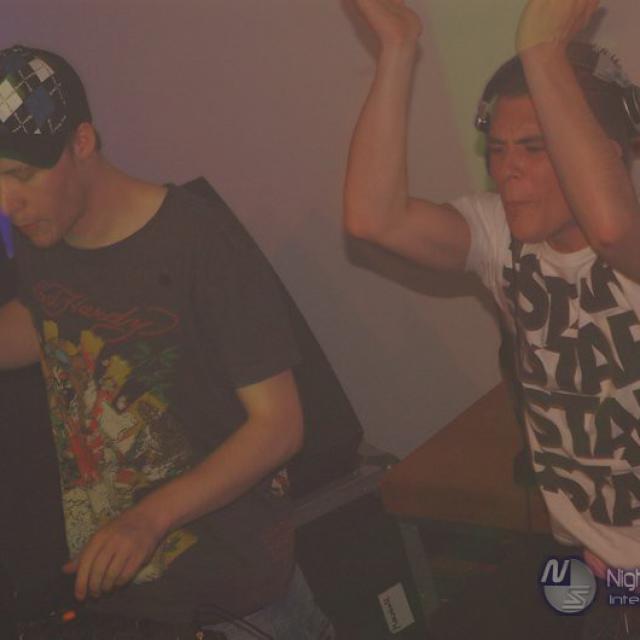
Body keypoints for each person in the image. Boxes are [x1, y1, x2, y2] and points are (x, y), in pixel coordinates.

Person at [0, 44, 333, 639]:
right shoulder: (43, 232)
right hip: (128, 597)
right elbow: (47, 318)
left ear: (82, 142)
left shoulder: (197, 243)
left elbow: (280, 427)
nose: (7, 203)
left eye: (21, 175)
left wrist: (148, 520)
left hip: (236, 599)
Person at [345, 0, 640, 636]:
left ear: (606, 154)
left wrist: (541, 47)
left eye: (535, 147)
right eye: (499, 148)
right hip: (595, 571)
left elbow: (614, 229)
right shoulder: (500, 235)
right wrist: (398, 48)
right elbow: (373, 218)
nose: (507, 168)